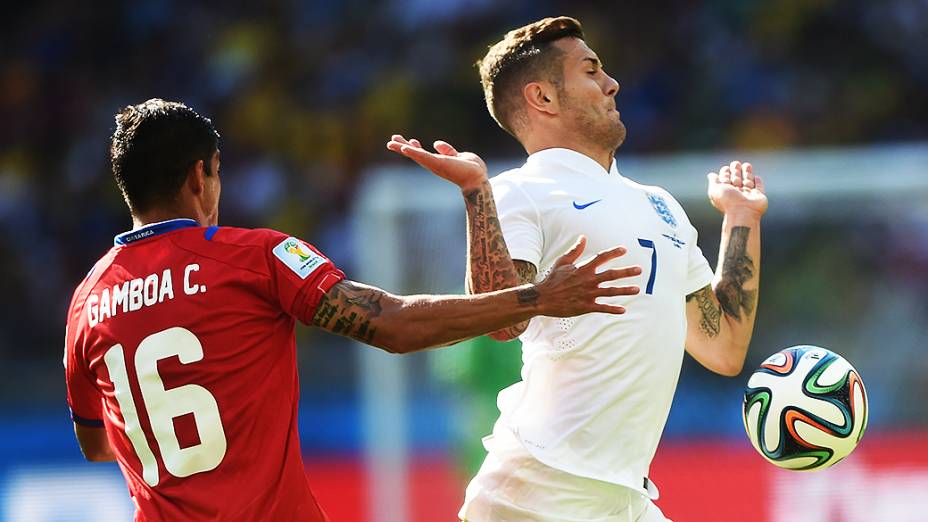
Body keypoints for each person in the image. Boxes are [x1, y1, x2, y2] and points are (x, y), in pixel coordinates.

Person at [63, 98, 644, 521]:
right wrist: (539, 297)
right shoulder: (253, 257)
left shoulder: (86, 303)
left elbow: (97, 442)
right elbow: (391, 325)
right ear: (201, 173)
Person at [388, 15, 768, 522]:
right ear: (542, 98)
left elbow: (723, 347)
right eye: (591, 71)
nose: (612, 84)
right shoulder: (519, 191)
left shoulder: (660, 205)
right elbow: (501, 323)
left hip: (626, 500)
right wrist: (477, 195)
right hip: (537, 491)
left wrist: (741, 219)